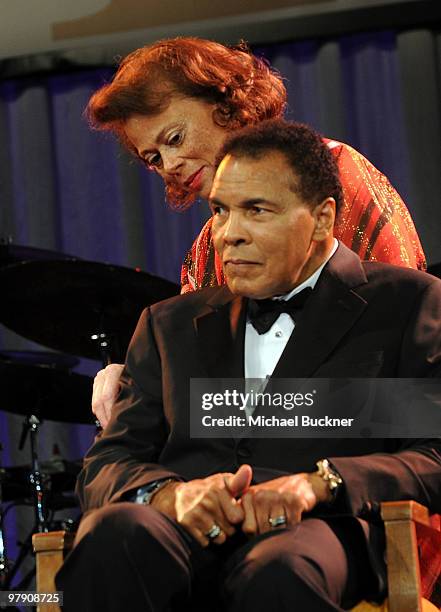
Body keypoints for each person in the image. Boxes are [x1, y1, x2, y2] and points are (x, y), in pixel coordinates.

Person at [56, 120, 441, 612]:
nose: (229, 235)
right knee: (114, 532)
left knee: (281, 570)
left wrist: (321, 483)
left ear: (322, 219)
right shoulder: (169, 324)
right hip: (183, 536)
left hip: (320, 531)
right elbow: (106, 465)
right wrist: (167, 496)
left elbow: (433, 454)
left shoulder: (404, 303)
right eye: (221, 211)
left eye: (256, 211)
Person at [86, 37, 426, 428]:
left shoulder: (333, 177)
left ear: (226, 105)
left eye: (175, 139)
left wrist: (203, 409)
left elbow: (397, 372)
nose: (171, 165)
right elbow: (200, 388)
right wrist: (134, 384)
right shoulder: (203, 250)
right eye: (154, 158)